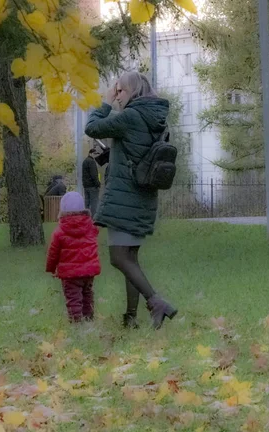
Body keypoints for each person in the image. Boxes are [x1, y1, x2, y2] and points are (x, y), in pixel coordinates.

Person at [84, 71, 177, 330]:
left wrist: (105, 102)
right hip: (141, 197)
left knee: (118, 258)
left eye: (120, 91)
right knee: (130, 259)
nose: (118, 95)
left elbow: (91, 127)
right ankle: (130, 318)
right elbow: (133, 152)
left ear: (132, 92)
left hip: (124, 198)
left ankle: (156, 302)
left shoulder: (131, 116)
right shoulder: (153, 118)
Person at [45, 192, 101, 323]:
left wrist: (51, 268)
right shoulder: (90, 227)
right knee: (87, 294)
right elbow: (95, 233)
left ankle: (76, 322)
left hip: (70, 274)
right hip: (89, 271)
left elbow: (53, 253)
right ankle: (89, 319)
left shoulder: (59, 231)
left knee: (73, 298)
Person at [82, 148, 101, 216]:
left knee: (87, 202)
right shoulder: (91, 161)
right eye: (95, 154)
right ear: (90, 153)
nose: (96, 155)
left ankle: (85, 217)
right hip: (93, 186)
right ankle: (94, 218)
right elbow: (94, 175)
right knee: (94, 203)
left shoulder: (85, 161)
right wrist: (98, 184)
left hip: (86, 186)